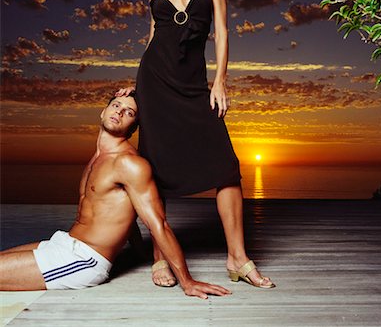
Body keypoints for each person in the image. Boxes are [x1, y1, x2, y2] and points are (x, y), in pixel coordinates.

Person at [116, 0, 275, 289]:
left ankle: (238, 258)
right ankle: (160, 258)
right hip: (154, 83)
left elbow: (221, 30)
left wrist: (220, 80)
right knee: (154, 168)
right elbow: (152, 40)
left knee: (226, 168)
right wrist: (137, 90)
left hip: (194, 86)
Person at [0, 93, 231, 299]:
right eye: (116, 105)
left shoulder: (129, 164)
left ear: (133, 128)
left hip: (83, 261)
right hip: (64, 243)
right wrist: (139, 253)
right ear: (103, 111)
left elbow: (158, 224)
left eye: (129, 112)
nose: (119, 111)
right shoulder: (98, 157)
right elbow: (121, 214)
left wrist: (187, 282)